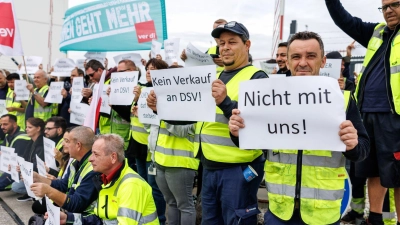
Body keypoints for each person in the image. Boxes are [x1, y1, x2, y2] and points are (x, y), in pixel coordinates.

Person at [229, 31, 370, 225]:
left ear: (323, 61)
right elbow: (253, 145)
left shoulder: (342, 100)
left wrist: (353, 144)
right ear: (287, 61)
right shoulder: (268, 98)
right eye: (296, 56)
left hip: (322, 215)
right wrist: (237, 133)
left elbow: (363, 149)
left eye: (310, 56)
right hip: (279, 211)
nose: (302, 62)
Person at [147, 21, 268, 224]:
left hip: (238, 168)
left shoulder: (257, 77)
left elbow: (259, 125)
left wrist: (225, 102)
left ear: (247, 45)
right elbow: (189, 114)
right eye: (221, 43)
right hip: (208, 167)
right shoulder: (215, 76)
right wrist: (159, 108)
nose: (225, 47)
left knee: (236, 220)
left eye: (232, 42)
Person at [326, 1, 400, 224]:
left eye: (395, 4)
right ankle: (374, 219)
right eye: (384, 7)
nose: (388, 10)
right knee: (373, 171)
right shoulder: (377, 32)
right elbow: (345, 20)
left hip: (394, 116)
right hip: (366, 111)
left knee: (397, 176)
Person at [53, 134, 159, 225]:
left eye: (96, 154)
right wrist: (68, 219)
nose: (90, 159)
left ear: (113, 157)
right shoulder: (105, 179)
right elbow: (100, 220)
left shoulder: (131, 185)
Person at [30, 126, 99, 214]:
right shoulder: (75, 161)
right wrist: (38, 178)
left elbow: (77, 204)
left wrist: (49, 191)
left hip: (84, 218)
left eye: (67, 141)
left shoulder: (93, 169)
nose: (63, 144)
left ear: (78, 145)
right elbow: (63, 185)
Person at [15, 117, 46, 201]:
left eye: (30, 127)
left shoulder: (42, 143)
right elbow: (24, 158)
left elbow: (39, 164)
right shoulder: (31, 141)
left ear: (38, 128)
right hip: (29, 173)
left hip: (38, 175)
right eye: (26, 127)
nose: (26, 129)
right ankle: (31, 192)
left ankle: (33, 192)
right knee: (15, 184)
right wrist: (20, 166)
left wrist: (24, 170)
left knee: (16, 186)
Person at [0, 114, 31, 191]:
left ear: (14, 124)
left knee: (14, 186)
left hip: (17, 170)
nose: (2, 127)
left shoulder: (21, 139)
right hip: (8, 166)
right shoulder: (9, 135)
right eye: (1, 124)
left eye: (5, 124)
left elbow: (16, 164)